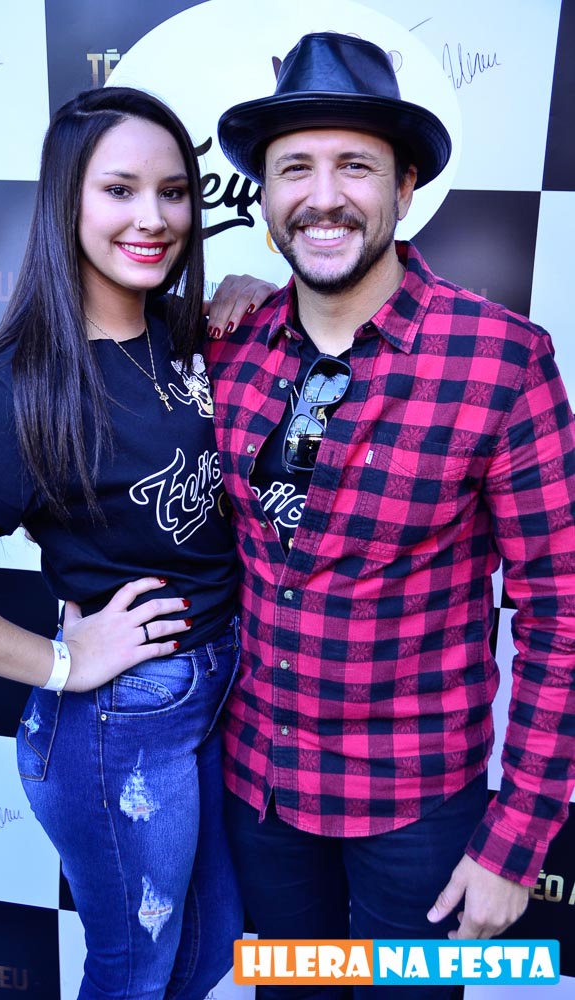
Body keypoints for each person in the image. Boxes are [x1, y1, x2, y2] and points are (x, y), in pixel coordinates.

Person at [208, 31, 575, 998]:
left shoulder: (501, 359)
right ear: (263, 195)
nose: (323, 195)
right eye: (295, 168)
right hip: (260, 793)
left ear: (405, 189)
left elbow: (562, 608)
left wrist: (518, 836)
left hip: (417, 809)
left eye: (356, 166)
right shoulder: (229, 348)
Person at [0, 86, 273, 1000]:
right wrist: (63, 664)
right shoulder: (20, 386)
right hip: (120, 724)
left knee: (209, 949)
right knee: (133, 973)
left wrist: (254, 294)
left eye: (174, 191)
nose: (153, 218)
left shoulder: (186, 333)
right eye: (119, 190)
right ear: (65, 200)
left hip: (219, 696)